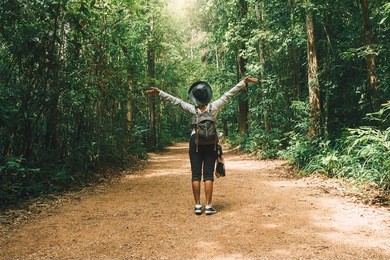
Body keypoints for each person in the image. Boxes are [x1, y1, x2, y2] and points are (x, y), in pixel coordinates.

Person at [145, 76, 258, 215]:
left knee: (196, 174)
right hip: (211, 143)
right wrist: (243, 82)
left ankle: (198, 205)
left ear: (195, 98)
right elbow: (229, 94)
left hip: (196, 142)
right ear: (208, 97)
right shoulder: (214, 107)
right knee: (208, 174)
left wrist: (159, 92)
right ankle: (209, 206)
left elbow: (176, 101)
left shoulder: (192, 109)